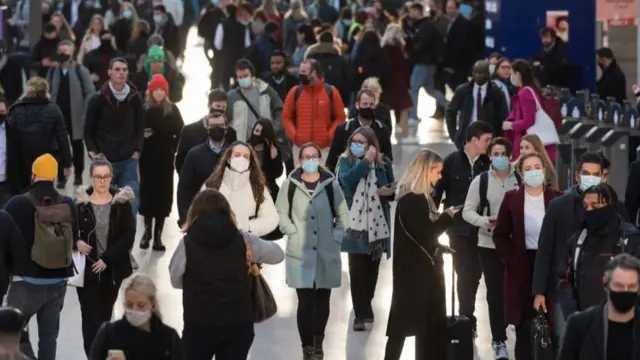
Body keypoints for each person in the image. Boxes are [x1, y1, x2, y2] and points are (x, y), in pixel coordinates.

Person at [169, 189, 284, 359]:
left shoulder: (187, 244)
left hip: (199, 325)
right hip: (238, 324)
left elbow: (175, 280)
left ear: (194, 213)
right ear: (227, 211)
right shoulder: (244, 240)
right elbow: (278, 255)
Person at [533, 152, 629, 335]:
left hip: (604, 292)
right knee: (567, 342)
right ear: (578, 175)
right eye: (586, 173)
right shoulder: (558, 207)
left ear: (603, 176)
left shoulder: (617, 208)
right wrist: (539, 291)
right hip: (564, 290)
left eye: (595, 174)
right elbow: (545, 250)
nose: (590, 178)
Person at [275, 142, 349, 359]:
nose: (309, 161)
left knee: (322, 299)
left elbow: (343, 214)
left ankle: (319, 341)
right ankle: (306, 347)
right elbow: (281, 212)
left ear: (319, 159)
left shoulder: (330, 184)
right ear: (299, 160)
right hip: (300, 253)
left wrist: (336, 236)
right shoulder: (290, 184)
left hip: (326, 251)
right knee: (305, 301)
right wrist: (291, 231)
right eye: (305, 157)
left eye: (313, 156)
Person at [3, 154, 79, 360]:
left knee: (13, 335)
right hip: (58, 284)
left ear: (33, 175)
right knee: (49, 337)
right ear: (54, 177)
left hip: (26, 283)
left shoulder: (18, 203)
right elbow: (75, 240)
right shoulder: (67, 203)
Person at [384, 148, 456, 360]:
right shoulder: (415, 200)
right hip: (415, 276)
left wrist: (440, 247)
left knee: (409, 327)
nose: (440, 176)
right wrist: (447, 217)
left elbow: (417, 236)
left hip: (414, 271)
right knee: (404, 328)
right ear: (426, 171)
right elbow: (427, 234)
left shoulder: (415, 198)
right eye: (437, 171)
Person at [493, 152, 562, 360]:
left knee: (550, 322)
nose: (534, 172)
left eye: (537, 167)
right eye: (528, 168)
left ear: (544, 169)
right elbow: (500, 234)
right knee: (523, 325)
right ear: (521, 173)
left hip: (550, 266)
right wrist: (510, 259)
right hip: (522, 265)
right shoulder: (512, 198)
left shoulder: (557, 199)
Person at [461, 137, 520, 359]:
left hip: (516, 244)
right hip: (488, 243)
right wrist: (485, 221)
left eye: (503, 153)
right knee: (495, 293)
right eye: (495, 154)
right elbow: (467, 211)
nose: (499, 158)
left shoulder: (520, 179)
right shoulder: (481, 181)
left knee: (514, 291)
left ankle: (517, 330)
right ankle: (499, 340)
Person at [432, 121, 493, 335]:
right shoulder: (450, 162)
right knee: (462, 271)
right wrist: (433, 222)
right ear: (474, 140)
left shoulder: (489, 164)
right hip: (457, 229)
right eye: (486, 140)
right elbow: (437, 193)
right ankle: (466, 317)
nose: (489, 144)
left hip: (483, 230)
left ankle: (466, 315)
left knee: (474, 274)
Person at [74, 159, 135, 355]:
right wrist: (76, 242)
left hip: (112, 270)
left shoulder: (120, 203)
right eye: (98, 177)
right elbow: (68, 230)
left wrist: (107, 259)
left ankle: (100, 353)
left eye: (106, 176)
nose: (103, 181)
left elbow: (128, 235)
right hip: (87, 270)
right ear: (91, 178)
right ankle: (91, 354)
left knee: (105, 316)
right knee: (89, 317)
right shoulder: (80, 204)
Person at [337, 127, 394, 331]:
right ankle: (359, 314)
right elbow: (348, 181)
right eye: (355, 141)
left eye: (362, 142)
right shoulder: (345, 162)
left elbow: (391, 187)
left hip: (377, 223)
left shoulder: (384, 163)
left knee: (372, 270)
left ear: (371, 145)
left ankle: (366, 303)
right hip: (355, 223)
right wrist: (365, 162)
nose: (357, 145)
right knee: (357, 270)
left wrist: (390, 191)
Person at [557, 184, 640, 319]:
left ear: (610, 206)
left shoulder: (631, 239)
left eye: (595, 206)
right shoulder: (577, 240)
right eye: (585, 206)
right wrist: (573, 314)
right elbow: (564, 280)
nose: (589, 211)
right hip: (585, 324)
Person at [84, 57, 144, 217]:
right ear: (109, 72)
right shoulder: (97, 99)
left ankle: (128, 238)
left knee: (131, 201)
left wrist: (137, 151)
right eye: (117, 69)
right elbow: (88, 130)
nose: (121, 73)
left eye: (124, 70)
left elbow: (140, 127)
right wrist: (94, 153)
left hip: (128, 161)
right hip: (105, 161)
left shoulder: (135, 98)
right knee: (103, 204)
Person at [558, 253, 640, 360]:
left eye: (631, 286)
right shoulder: (580, 325)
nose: (625, 291)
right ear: (606, 284)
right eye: (619, 286)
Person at [88, 274, 184, 360]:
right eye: (129, 305)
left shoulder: (169, 338)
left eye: (141, 305)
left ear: (152, 305)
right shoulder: (109, 334)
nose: (134, 310)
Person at [139, 74, 184, 251]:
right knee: (147, 194)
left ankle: (158, 234)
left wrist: (173, 148)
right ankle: (147, 231)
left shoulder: (172, 110)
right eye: (155, 89)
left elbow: (181, 132)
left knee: (163, 195)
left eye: (161, 90)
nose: (158, 93)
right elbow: (136, 130)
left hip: (165, 159)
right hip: (147, 158)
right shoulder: (144, 110)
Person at [6, 77, 73, 193]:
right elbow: (62, 138)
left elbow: (8, 139)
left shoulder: (15, 110)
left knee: (23, 194)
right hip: (46, 159)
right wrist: (67, 163)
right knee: (44, 194)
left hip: (21, 161)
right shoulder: (53, 109)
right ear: (46, 91)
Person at [203, 141, 279, 237]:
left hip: (247, 244)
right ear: (229, 159)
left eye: (246, 156)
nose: (241, 159)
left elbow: (271, 218)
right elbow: (199, 214)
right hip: (216, 242)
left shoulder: (258, 187)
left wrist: (249, 227)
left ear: (250, 162)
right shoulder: (213, 184)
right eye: (237, 155)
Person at [47, 40, 96, 187]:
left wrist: (85, 109)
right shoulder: (53, 71)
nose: (63, 54)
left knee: (77, 145)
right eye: (61, 51)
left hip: (76, 115)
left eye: (66, 51)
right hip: (57, 115)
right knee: (59, 146)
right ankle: (61, 176)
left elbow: (90, 92)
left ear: (72, 52)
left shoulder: (81, 70)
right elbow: (48, 90)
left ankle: (79, 175)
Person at [282, 59, 346, 164]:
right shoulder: (295, 92)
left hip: (324, 149)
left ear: (314, 73)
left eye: (304, 72)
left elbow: (340, 117)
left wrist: (329, 136)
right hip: (300, 148)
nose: (301, 75)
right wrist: (295, 135)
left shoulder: (331, 92)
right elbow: (286, 117)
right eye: (300, 72)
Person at [177, 113, 233, 226]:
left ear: (226, 129)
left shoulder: (235, 153)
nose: (216, 129)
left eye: (220, 125)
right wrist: (185, 218)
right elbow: (184, 188)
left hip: (229, 218)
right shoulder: (194, 154)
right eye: (213, 126)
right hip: (199, 217)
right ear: (207, 129)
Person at [502, 59, 557, 163]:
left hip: (529, 143)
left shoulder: (524, 93)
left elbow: (529, 120)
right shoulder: (531, 90)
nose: (511, 78)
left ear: (518, 74)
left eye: (512, 74)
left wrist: (511, 125)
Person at [445, 60, 509, 149]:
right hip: (467, 138)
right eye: (476, 73)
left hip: (489, 140)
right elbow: (451, 112)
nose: (478, 76)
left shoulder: (496, 92)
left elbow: (504, 116)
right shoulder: (463, 90)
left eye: (481, 73)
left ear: (488, 74)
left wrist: (499, 139)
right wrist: (454, 135)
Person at [327, 89, 392, 173]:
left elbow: (388, 158)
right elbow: (332, 160)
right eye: (365, 104)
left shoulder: (382, 129)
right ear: (357, 105)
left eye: (371, 104)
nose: (368, 107)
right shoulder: (344, 129)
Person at [175, 88, 236, 173]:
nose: (220, 110)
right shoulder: (189, 131)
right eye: (217, 106)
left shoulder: (231, 133)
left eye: (223, 107)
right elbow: (180, 161)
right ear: (209, 105)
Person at [226, 59, 284, 144]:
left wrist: (274, 130)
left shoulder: (266, 91)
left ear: (252, 75)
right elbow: (226, 119)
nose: (243, 79)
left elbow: (280, 110)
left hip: (265, 142)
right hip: (242, 144)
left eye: (245, 76)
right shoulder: (231, 96)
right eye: (240, 77)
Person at [406, 2, 447, 122]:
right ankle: (452, 107)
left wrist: (410, 51)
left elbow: (422, 45)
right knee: (430, 90)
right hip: (427, 63)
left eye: (412, 11)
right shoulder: (421, 25)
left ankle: (413, 116)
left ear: (418, 11)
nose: (410, 14)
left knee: (413, 88)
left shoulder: (425, 26)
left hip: (424, 63)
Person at [248, 119, 283, 201]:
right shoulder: (246, 148)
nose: (259, 134)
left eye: (262, 133)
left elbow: (277, 174)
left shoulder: (273, 149)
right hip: (248, 189)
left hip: (268, 191)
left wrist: (274, 159)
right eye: (257, 131)